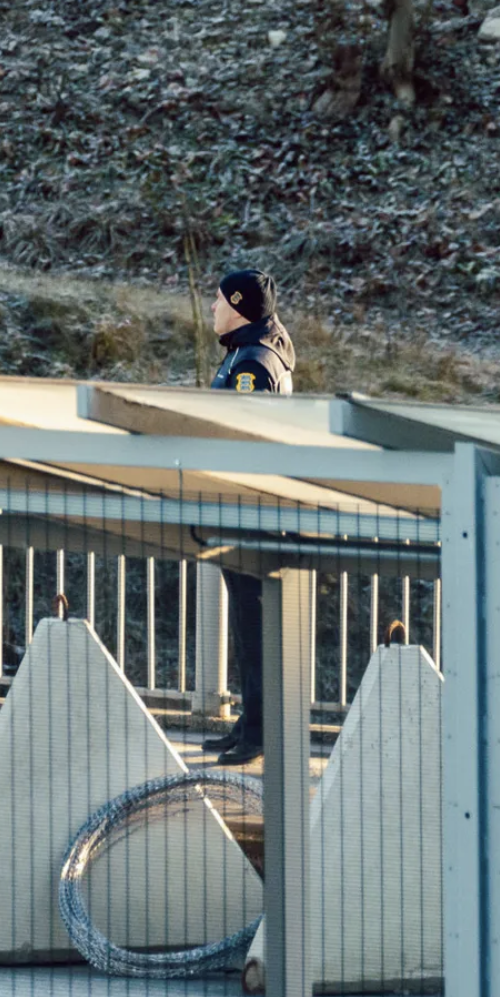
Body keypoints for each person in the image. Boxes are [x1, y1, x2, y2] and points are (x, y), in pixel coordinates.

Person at [200, 267, 294, 765]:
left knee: (255, 623)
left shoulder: (252, 366)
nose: (211, 308)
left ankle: (260, 731)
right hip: (241, 509)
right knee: (248, 619)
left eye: (217, 300)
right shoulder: (246, 351)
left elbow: (241, 439)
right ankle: (251, 723)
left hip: (250, 511)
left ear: (237, 304)